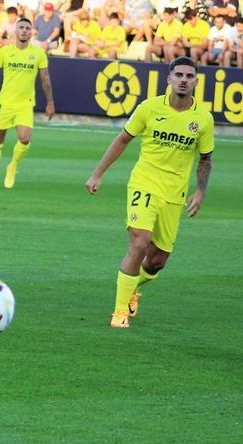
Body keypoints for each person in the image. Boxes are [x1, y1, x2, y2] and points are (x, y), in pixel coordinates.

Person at [85, 56, 214, 328]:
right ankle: (119, 313)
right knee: (140, 242)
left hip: (174, 194)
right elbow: (122, 139)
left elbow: (205, 159)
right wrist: (98, 173)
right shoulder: (149, 107)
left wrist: (200, 192)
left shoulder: (203, 119)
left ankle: (133, 287)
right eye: (178, 75)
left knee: (157, 261)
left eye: (189, 76)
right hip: (144, 183)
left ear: (196, 81)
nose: (183, 80)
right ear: (169, 78)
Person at [0, 17, 55, 190]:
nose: (24, 31)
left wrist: (50, 102)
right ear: (15, 30)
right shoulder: (4, 52)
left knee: (25, 138)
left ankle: (12, 166)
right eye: (21, 27)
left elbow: (46, 80)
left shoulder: (39, 54)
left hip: (25, 104)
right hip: (5, 103)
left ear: (31, 32)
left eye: (28, 28)